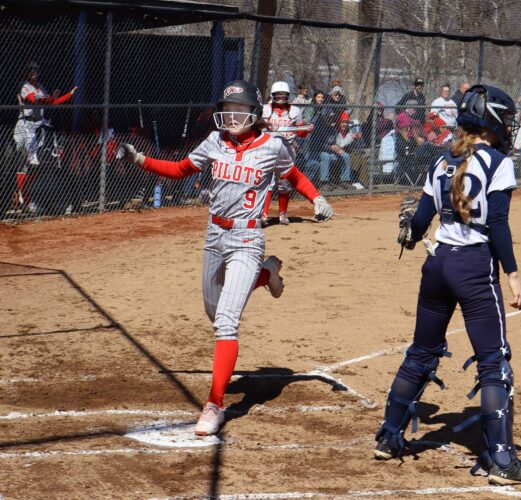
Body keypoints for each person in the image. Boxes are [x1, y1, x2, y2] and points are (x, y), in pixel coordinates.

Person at [118, 80, 334, 436]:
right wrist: (139, 159)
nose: (231, 116)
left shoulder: (272, 145)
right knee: (213, 311)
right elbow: (180, 169)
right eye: (227, 110)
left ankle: (214, 406)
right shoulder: (215, 141)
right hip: (214, 235)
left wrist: (317, 198)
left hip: (247, 238)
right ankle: (267, 274)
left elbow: (293, 175)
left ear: (254, 112)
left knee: (226, 323)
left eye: (239, 110)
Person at [374, 84, 521, 486]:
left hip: (437, 265)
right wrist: (512, 274)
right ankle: (501, 460)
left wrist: (411, 234)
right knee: (494, 362)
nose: (509, 126)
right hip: (473, 266)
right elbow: (497, 224)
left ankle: (388, 437)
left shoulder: (442, 159)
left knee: (421, 353)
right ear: (491, 120)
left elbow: (420, 221)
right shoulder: (498, 162)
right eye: (506, 119)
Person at [13, 61, 77, 212]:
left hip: (38, 127)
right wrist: (50, 99)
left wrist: (69, 94)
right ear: (25, 72)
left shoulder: (40, 87)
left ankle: (33, 198)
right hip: (25, 126)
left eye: (36, 69)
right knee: (27, 164)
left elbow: (52, 103)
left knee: (41, 164)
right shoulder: (24, 86)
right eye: (31, 69)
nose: (34, 71)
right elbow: (33, 100)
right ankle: (25, 199)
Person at [261, 81, 314, 225]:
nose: (280, 98)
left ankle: (283, 214)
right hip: (267, 149)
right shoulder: (264, 109)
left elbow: (301, 133)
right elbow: (256, 128)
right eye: (277, 95)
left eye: (283, 95)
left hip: (287, 149)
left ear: (288, 96)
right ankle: (263, 214)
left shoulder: (295, 111)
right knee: (266, 182)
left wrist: (306, 129)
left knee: (284, 183)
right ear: (272, 95)